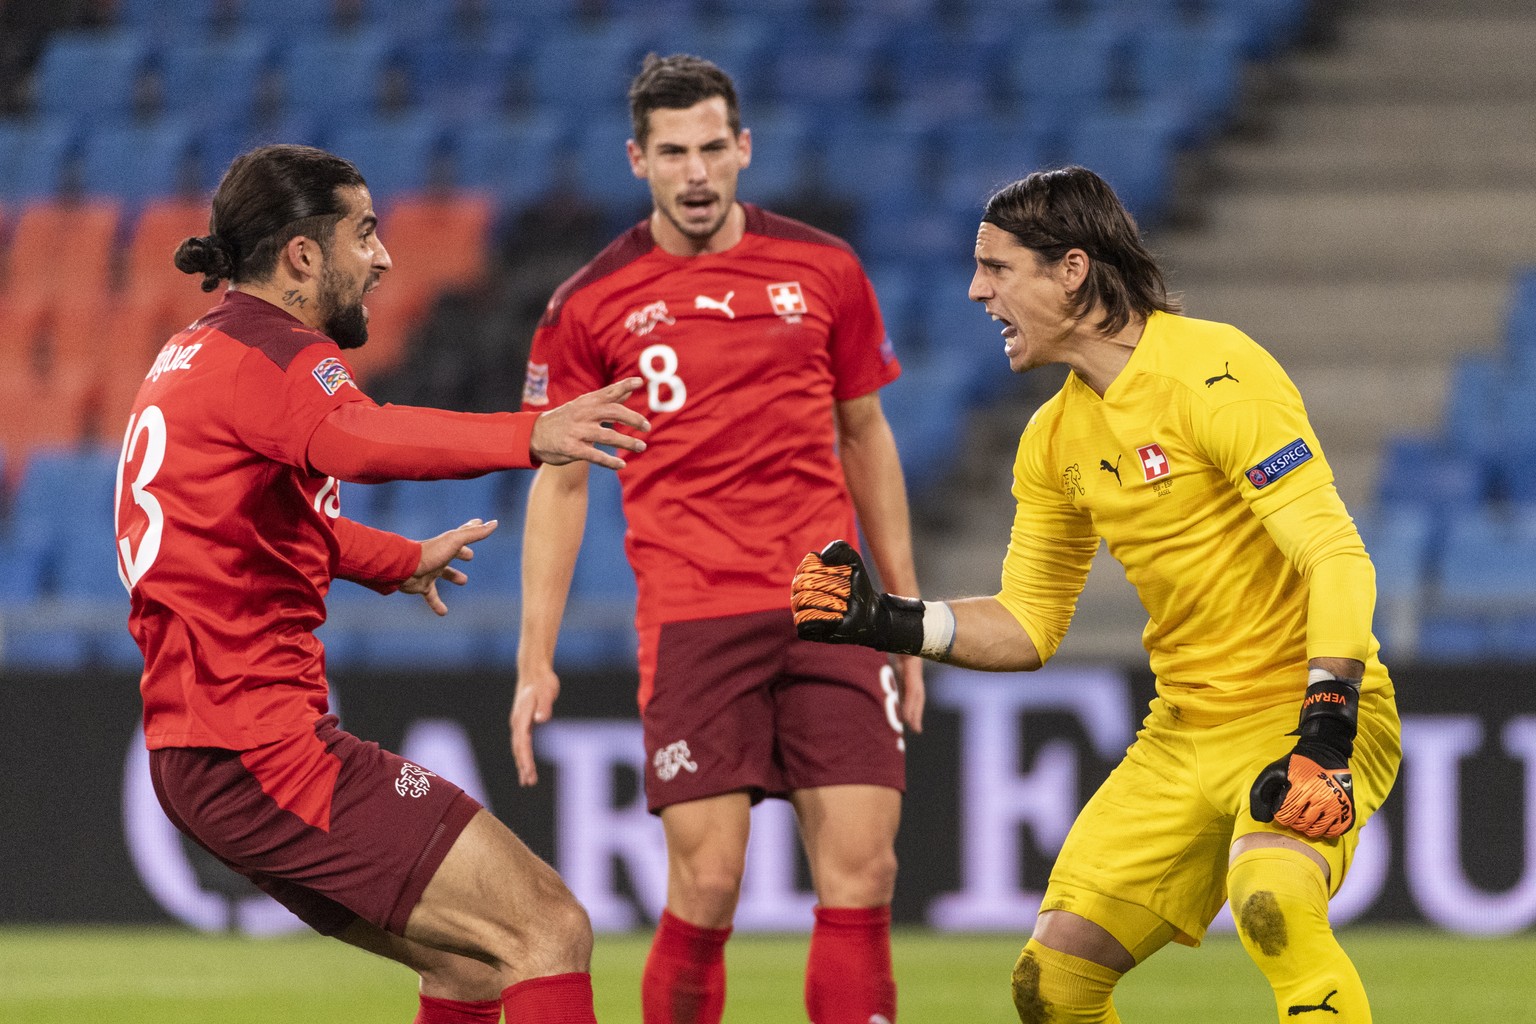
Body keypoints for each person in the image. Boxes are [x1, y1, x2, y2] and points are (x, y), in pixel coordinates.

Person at [791, 166, 1401, 1023]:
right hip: (1185, 733)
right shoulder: (1051, 441)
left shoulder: (1215, 372)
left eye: (997, 268)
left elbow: (1335, 555)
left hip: (1303, 710)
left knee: (1274, 905)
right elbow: (1026, 625)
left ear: (1070, 269)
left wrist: (1327, 731)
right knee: (1051, 985)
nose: (975, 291)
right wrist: (882, 620)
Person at [113, 144, 650, 1024]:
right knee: (550, 929)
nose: (384, 256)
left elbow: (253, 529)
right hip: (263, 752)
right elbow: (358, 442)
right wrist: (531, 434)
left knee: (473, 962)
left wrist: (397, 560)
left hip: (204, 754)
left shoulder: (191, 354)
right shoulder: (276, 357)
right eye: (365, 232)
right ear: (302, 254)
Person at [510, 54, 923, 1024]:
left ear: (743, 149)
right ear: (637, 161)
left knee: (865, 870)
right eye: (671, 153)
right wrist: (536, 654)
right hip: (695, 615)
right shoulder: (589, 303)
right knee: (708, 884)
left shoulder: (823, 269)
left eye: (710, 148)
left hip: (831, 603)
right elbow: (561, 480)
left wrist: (902, 615)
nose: (695, 173)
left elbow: (865, 433)